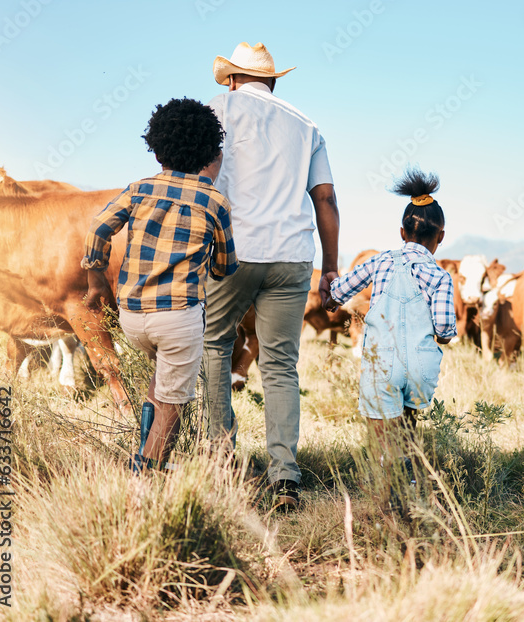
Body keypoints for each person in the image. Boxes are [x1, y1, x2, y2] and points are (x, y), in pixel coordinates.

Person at [203, 42, 340, 510]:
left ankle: (222, 463)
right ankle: (285, 476)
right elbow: (325, 200)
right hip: (293, 256)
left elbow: (197, 182)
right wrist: (332, 267)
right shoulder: (306, 124)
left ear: (233, 80)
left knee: (215, 347)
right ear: (273, 81)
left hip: (232, 250)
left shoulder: (214, 110)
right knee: (280, 365)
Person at [82, 98, 237, 471]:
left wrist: (96, 281)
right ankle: (146, 472)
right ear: (211, 155)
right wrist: (212, 267)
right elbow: (225, 267)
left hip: (133, 317)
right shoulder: (215, 201)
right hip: (178, 318)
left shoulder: (140, 189)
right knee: (173, 404)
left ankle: (145, 452)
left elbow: (98, 228)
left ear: (157, 153)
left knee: (160, 382)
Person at [330, 168, 456, 494]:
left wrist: (330, 298)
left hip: (380, 362)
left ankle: (388, 491)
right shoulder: (440, 276)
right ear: (440, 237)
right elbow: (445, 326)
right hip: (420, 367)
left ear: (402, 232)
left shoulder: (381, 261)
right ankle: (411, 484)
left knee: (383, 437)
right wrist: (439, 336)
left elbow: (341, 290)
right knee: (408, 429)